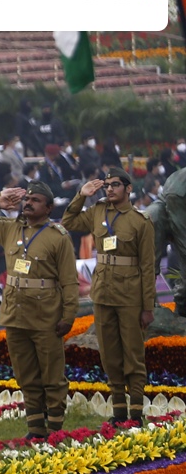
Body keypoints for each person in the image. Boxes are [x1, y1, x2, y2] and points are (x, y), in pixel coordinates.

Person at [0, 182, 77, 439]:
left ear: (49, 207)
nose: (29, 202)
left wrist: (68, 316)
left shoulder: (58, 237)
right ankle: (35, 430)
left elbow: (69, 281)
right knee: (26, 375)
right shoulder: (11, 229)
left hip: (46, 316)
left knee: (52, 376)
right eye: (27, 198)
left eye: (36, 200)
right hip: (15, 315)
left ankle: (54, 431)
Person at [61, 168, 156, 425]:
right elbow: (68, 222)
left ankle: (136, 412)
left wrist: (148, 307)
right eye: (107, 186)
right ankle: (118, 411)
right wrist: (81, 195)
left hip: (130, 297)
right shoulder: (97, 212)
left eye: (116, 184)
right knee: (110, 354)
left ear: (128, 188)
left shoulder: (140, 221)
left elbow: (148, 266)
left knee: (133, 354)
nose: (110, 189)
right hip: (103, 294)